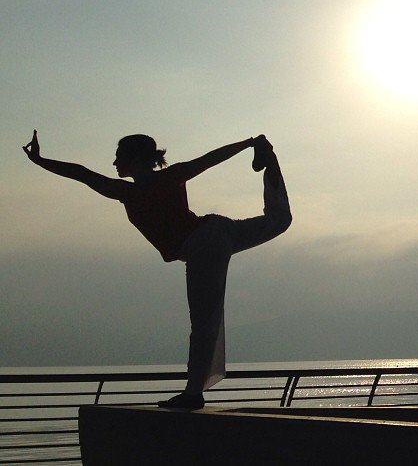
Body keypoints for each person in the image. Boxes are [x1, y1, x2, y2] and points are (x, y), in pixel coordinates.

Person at [22, 129, 291, 409]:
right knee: (279, 220)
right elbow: (209, 159)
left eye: (118, 157)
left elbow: (82, 173)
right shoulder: (161, 180)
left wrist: (40, 161)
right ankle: (267, 157)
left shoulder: (126, 191)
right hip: (215, 231)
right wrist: (249, 144)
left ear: (135, 159)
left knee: (204, 322)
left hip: (202, 244)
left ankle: (192, 394)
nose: (114, 163)